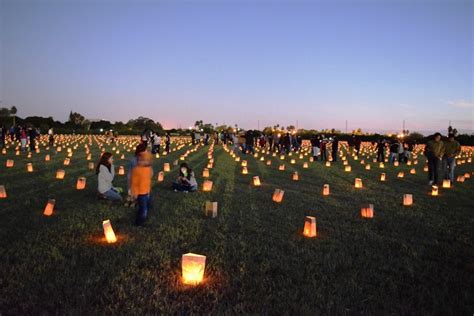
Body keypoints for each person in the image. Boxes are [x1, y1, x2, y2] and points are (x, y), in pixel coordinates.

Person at [130, 151, 153, 226]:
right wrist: (135, 193)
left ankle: (141, 215)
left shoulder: (148, 169)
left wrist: (148, 190)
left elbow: (148, 180)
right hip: (140, 193)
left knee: (148, 205)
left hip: (147, 191)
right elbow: (134, 182)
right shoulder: (136, 170)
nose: (140, 162)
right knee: (144, 209)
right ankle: (139, 222)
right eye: (139, 160)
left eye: (143, 160)